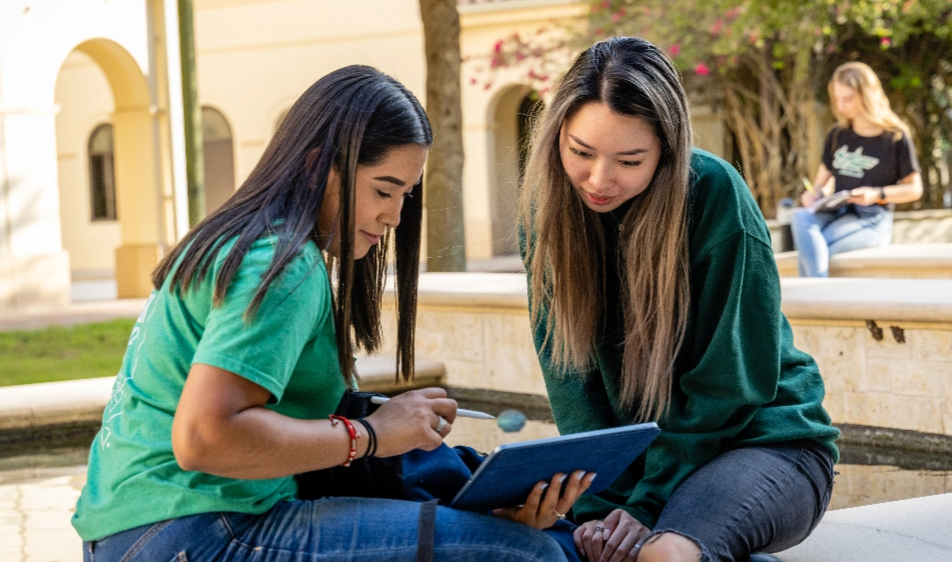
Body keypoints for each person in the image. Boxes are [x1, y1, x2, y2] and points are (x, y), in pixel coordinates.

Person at [72, 65, 594, 562]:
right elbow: (204, 437)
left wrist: (395, 429)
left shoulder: (243, 240)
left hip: (134, 534)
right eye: (383, 190)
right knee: (530, 554)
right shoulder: (282, 265)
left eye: (406, 196)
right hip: (200, 532)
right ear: (317, 164)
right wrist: (372, 436)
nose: (393, 216)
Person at [518, 37, 840, 562]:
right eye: (580, 152)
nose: (598, 180)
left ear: (667, 151)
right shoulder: (546, 215)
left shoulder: (714, 195)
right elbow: (572, 384)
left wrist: (645, 506)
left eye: (629, 159)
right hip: (651, 467)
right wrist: (599, 505)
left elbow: (728, 386)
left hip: (765, 443)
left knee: (664, 554)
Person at [791, 61, 923, 277]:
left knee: (817, 249)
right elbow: (819, 185)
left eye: (848, 98)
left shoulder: (895, 137)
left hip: (871, 219)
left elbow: (914, 189)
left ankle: (816, 296)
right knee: (800, 218)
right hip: (836, 212)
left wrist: (876, 194)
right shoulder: (837, 134)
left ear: (867, 95)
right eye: (837, 99)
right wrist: (813, 195)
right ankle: (819, 296)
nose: (841, 106)